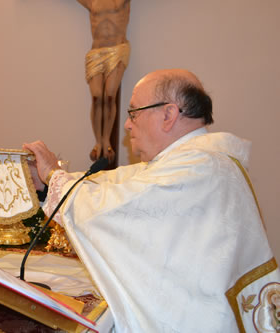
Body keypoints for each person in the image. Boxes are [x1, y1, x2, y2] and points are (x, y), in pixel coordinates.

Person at [24, 69, 280, 332]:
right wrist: (49, 183)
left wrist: (54, 176)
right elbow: (122, 184)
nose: (126, 124)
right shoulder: (191, 161)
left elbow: (117, 206)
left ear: (168, 115)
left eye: (133, 112)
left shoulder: (200, 167)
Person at [77, 0, 131, 163]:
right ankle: (97, 141)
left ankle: (106, 140)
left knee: (109, 96)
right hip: (96, 52)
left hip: (117, 50)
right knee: (96, 96)